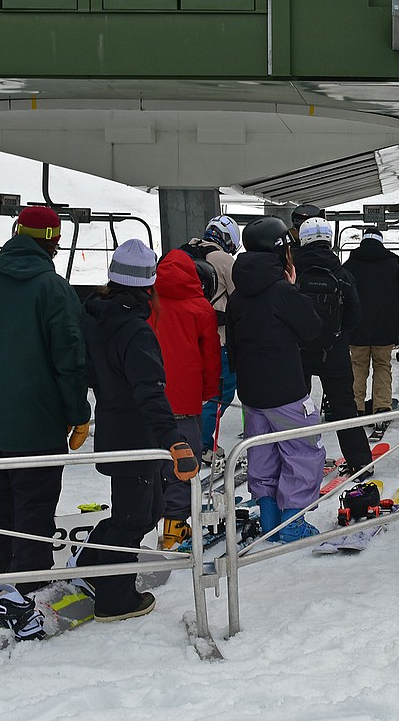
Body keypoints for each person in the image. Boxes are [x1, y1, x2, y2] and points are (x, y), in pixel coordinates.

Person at [0, 205, 91, 604]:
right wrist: (77, 414)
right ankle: (28, 583)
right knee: (33, 504)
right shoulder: (54, 290)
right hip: (37, 422)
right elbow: (69, 360)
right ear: (53, 241)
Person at [77, 239, 199, 622]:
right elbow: (149, 392)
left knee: (150, 511)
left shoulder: (95, 316)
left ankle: (94, 561)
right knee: (133, 519)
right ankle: (115, 598)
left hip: (116, 429)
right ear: (149, 286)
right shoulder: (134, 330)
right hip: (136, 436)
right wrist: (174, 439)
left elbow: (89, 372)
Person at [226, 216, 326, 543]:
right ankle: (291, 523)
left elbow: (234, 346)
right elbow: (312, 329)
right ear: (282, 251)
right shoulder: (281, 291)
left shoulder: (239, 296)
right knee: (302, 453)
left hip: (253, 395)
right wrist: (295, 290)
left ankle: (269, 517)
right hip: (286, 390)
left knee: (262, 454)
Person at [148, 249, 221, 549]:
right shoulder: (201, 308)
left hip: (149, 398)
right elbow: (210, 355)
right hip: (184, 401)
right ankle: (175, 527)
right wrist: (207, 392)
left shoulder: (148, 301)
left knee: (150, 461)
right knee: (183, 463)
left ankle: (144, 520)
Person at [293, 217, 372, 477]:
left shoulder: (293, 273)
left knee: (296, 408)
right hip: (334, 350)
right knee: (344, 407)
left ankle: (299, 460)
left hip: (298, 352)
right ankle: (359, 460)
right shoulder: (343, 275)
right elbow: (356, 317)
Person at [183, 215, 241, 465]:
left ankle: (188, 439)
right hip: (218, 339)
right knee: (220, 392)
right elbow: (239, 297)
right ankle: (203, 444)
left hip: (187, 337)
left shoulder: (184, 252)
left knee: (192, 392)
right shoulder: (224, 260)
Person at [343, 227, 399, 425]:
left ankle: (356, 406)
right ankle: (382, 406)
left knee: (357, 366)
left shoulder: (350, 265)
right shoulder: (392, 265)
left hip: (357, 328)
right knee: (382, 366)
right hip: (385, 328)